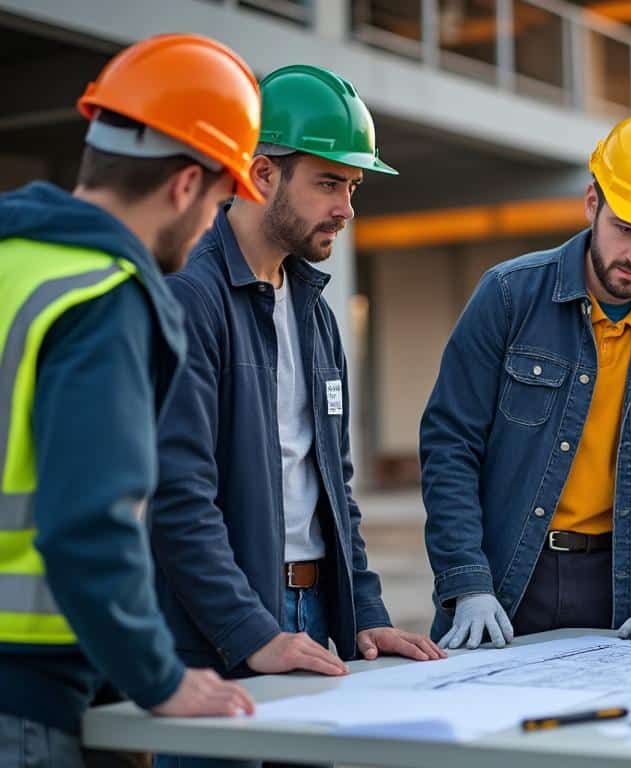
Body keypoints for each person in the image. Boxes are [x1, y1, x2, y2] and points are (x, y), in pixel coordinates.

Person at [147, 67, 440, 764]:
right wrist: (252, 632)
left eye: (353, 188)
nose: (346, 209)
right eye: (330, 183)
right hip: (218, 630)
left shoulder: (315, 313)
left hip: (314, 617)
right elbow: (177, 498)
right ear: (260, 175)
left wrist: (365, 613)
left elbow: (335, 490)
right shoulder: (191, 299)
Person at [0, 34, 262, 767]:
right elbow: (86, 520)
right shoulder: (102, 298)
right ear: (185, 186)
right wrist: (158, 676)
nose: (213, 222)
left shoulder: (14, 262)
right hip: (26, 690)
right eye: (218, 199)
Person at [420, 110, 631, 650]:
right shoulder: (509, 296)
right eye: (625, 229)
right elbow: (450, 446)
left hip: (611, 587)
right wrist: (466, 582)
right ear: (592, 203)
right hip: (505, 579)